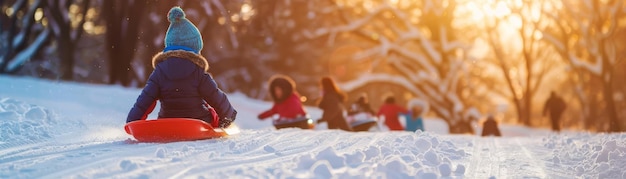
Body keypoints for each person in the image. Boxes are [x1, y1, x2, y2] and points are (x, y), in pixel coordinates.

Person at [127, 7, 237, 128]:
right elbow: (215, 96)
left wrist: (133, 121)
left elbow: (145, 101)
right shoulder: (197, 72)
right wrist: (228, 115)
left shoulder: (159, 73)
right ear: (194, 49)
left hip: (168, 122)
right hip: (197, 122)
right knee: (212, 113)